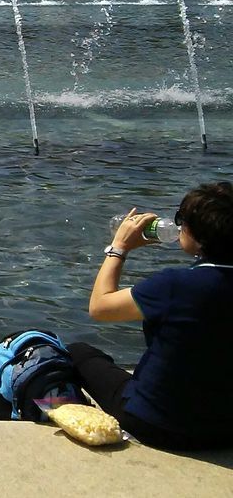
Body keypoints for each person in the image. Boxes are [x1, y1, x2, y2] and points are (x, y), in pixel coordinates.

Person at [69, 183, 233, 451]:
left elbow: (99, 307)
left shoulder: (175, 285)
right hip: (226, 431)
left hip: (156, 424)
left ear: (197, 236)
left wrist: (119, 248)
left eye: (182, 221)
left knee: (78, 353)